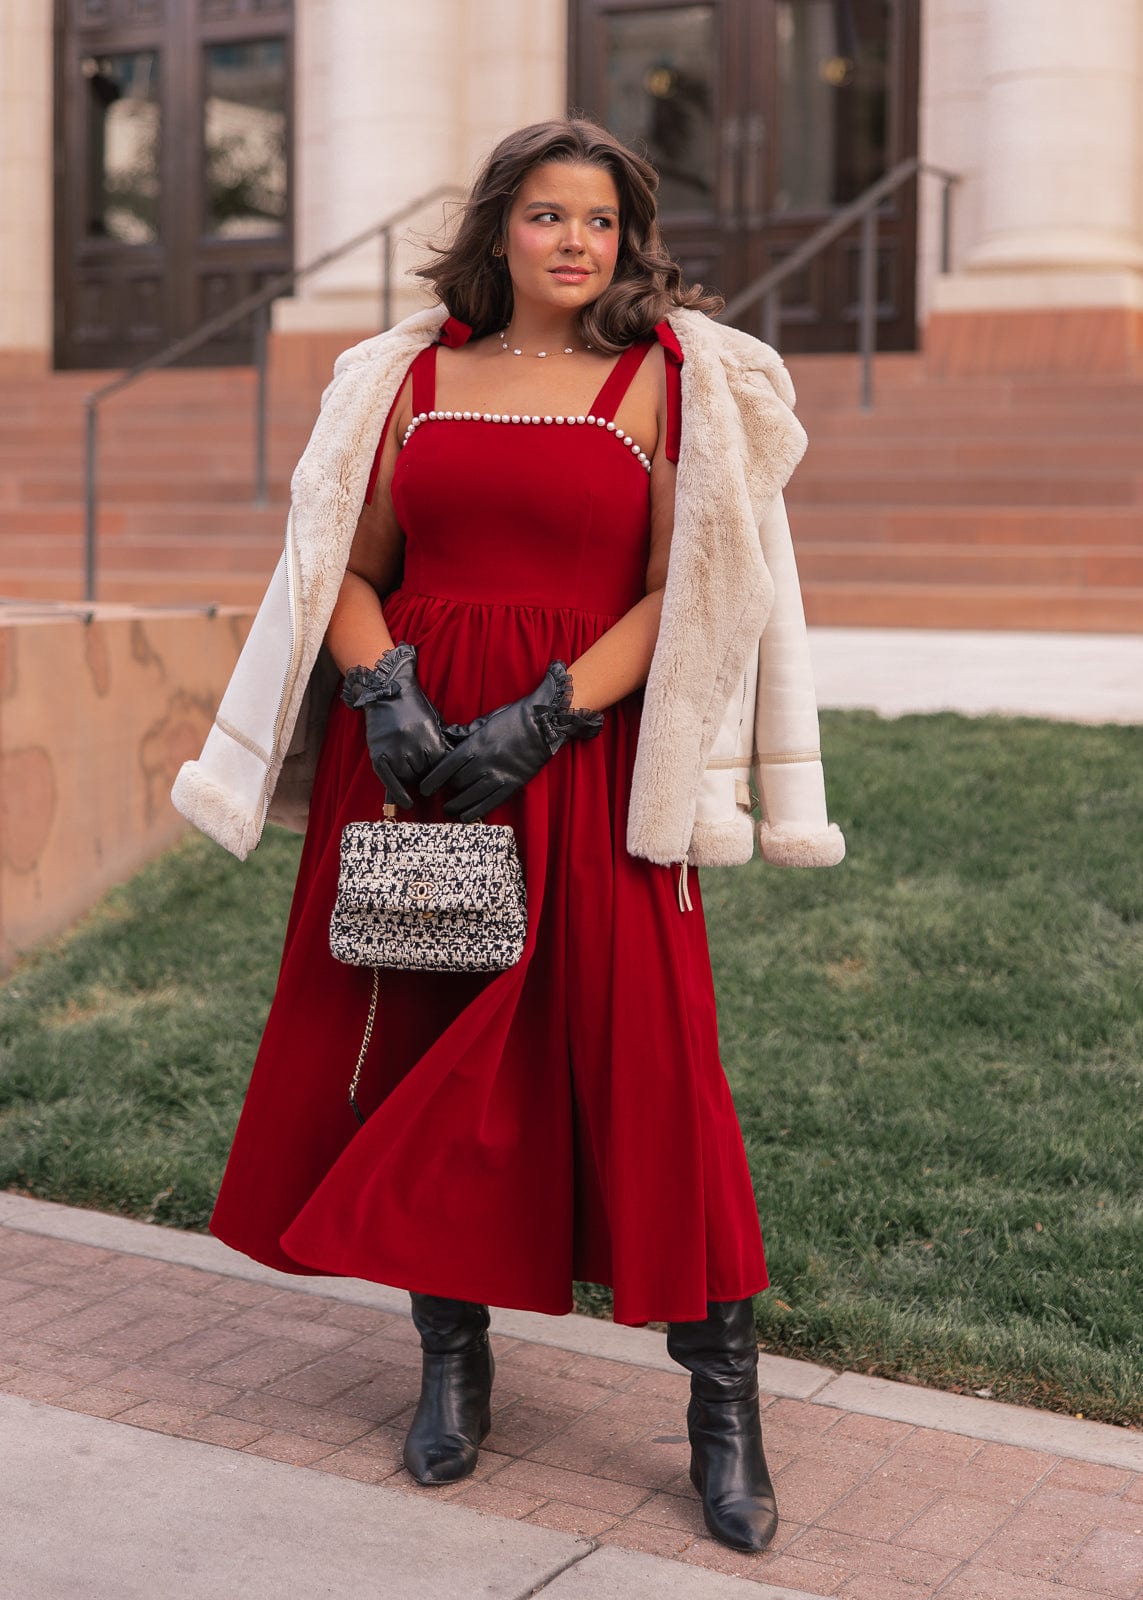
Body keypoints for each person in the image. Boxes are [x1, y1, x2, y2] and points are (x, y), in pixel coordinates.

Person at [172, 118, 844, 1554]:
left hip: (584, 764)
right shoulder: (403, 375)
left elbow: (695, 585)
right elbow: (341, 565)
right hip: (409, 759)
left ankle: (723, 1410)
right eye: (547, 216)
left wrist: (546, 717)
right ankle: (451, 1362)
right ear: (498, 229)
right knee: (425, 1041)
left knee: (654, 1065)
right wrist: (385, 690)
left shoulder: (672, 379)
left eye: (600, 221)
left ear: (630, 238)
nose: (575, 244)